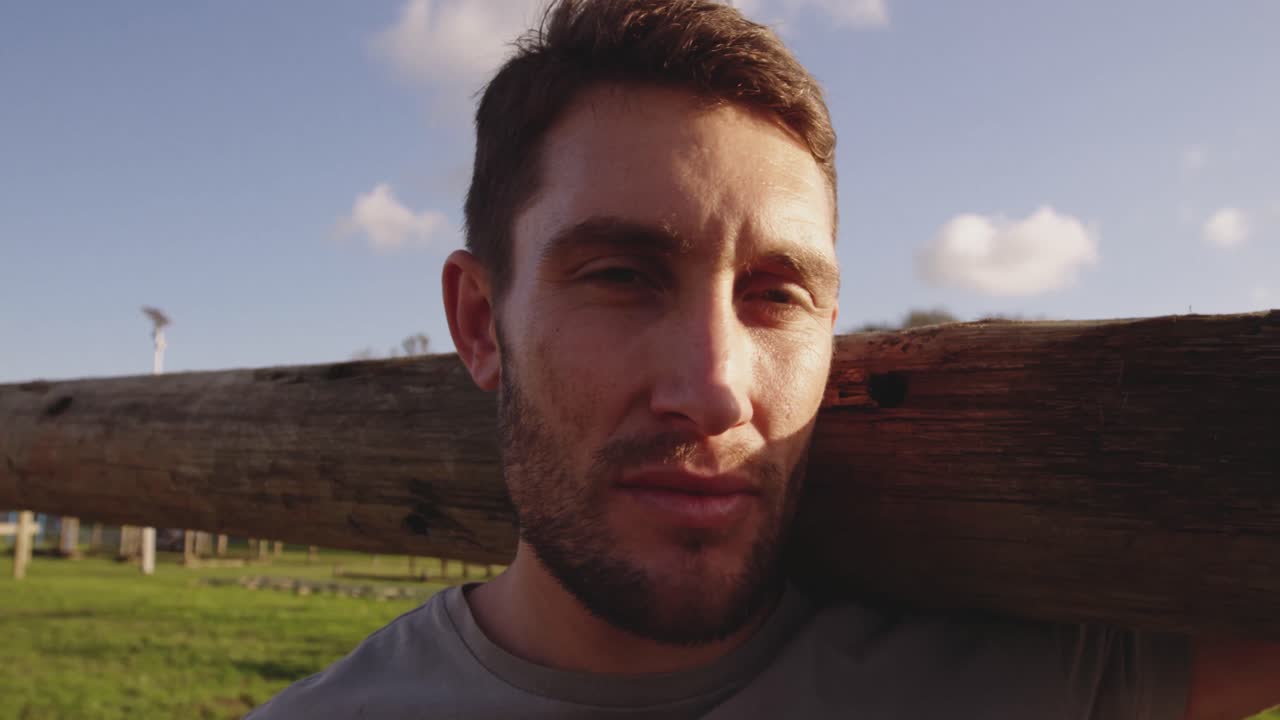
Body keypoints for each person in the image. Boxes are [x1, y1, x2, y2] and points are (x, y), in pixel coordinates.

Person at [248, 1, 1280, 717]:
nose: (713, 389)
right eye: (619, 275)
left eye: (775, 295)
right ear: (480, 323)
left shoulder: (999, 686)